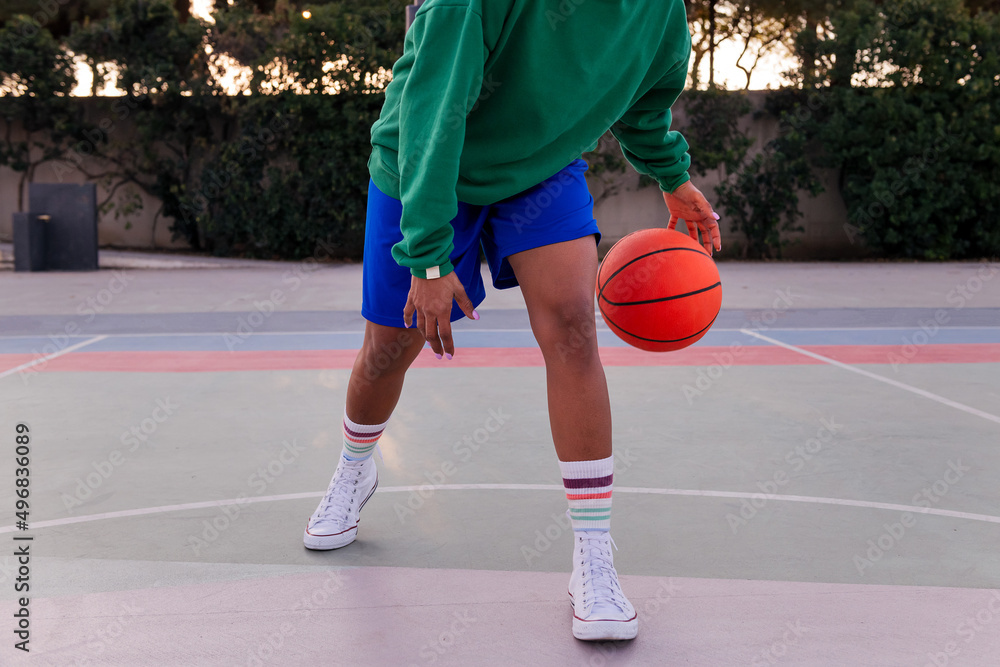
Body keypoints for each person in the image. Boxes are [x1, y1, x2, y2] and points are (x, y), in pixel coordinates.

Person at [303, 0, 722, 642]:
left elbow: (646, 98)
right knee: (391, 348)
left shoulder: (658, 8)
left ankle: (594, 561)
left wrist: (670, 174)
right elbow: (433, 110)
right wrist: (428, 255)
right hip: (423, 162)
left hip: (540, 169)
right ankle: (355, 465)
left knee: (573, 329)